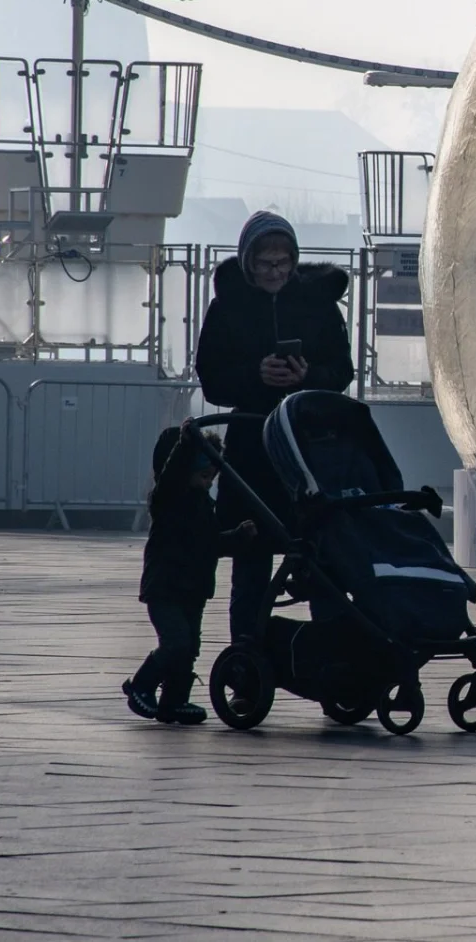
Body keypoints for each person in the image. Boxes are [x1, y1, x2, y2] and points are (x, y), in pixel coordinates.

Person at [194, 212, 353, 650]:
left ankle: (334, 660)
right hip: (251, 451)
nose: (275, 272)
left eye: (283, 263)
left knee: (324, 559)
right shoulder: (228, 307)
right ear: (248, 263)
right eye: (266, 263)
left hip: (309, 450)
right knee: (251, 560)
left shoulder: (318, 303)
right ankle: (246, 660)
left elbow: (342, 370)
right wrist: (255, 375)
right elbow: (211, 377)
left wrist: (307, 376)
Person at [123, 421, 255, 725]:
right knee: (176, 643)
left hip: (193, 589)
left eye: (211, 478)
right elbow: (173, 470)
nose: (208, 483)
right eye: (203, 476)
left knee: (190, 648)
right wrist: (186, 444)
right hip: (166, 587)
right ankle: (141, 684)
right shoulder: (168, 499)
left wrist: (238, 537)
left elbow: (212, 544)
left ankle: (175, 699)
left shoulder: (204, 508)